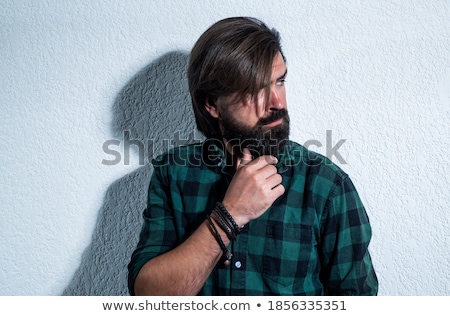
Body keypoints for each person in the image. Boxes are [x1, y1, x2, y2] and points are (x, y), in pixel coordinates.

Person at [128, 16, 378, 296]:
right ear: (212, 104)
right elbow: (148, 298)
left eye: (280, 81)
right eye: (255, 89)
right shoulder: (172, 174)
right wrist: (231, 214)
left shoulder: (325, 184)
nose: (277, 103)